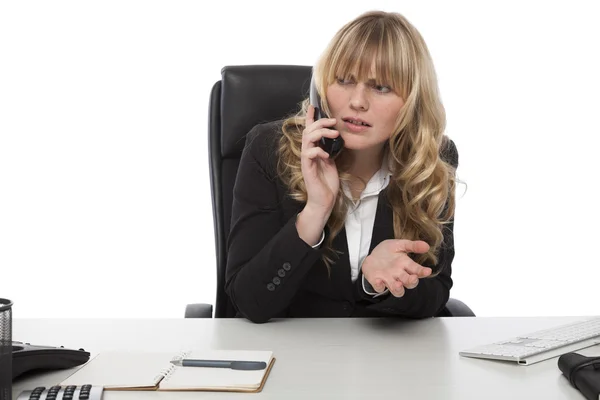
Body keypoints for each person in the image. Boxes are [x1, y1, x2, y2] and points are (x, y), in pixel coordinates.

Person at [225, 10, 459, 323]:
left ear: (412, 101)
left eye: (381, 87)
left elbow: (436, 292)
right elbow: (249, 302)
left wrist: (378, 283)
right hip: (295, 356)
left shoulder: (431, 160)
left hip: (391, 360)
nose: (358, 101)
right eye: (345, 81)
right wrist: (314, 213)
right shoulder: (269, 150)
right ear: (320, 90)